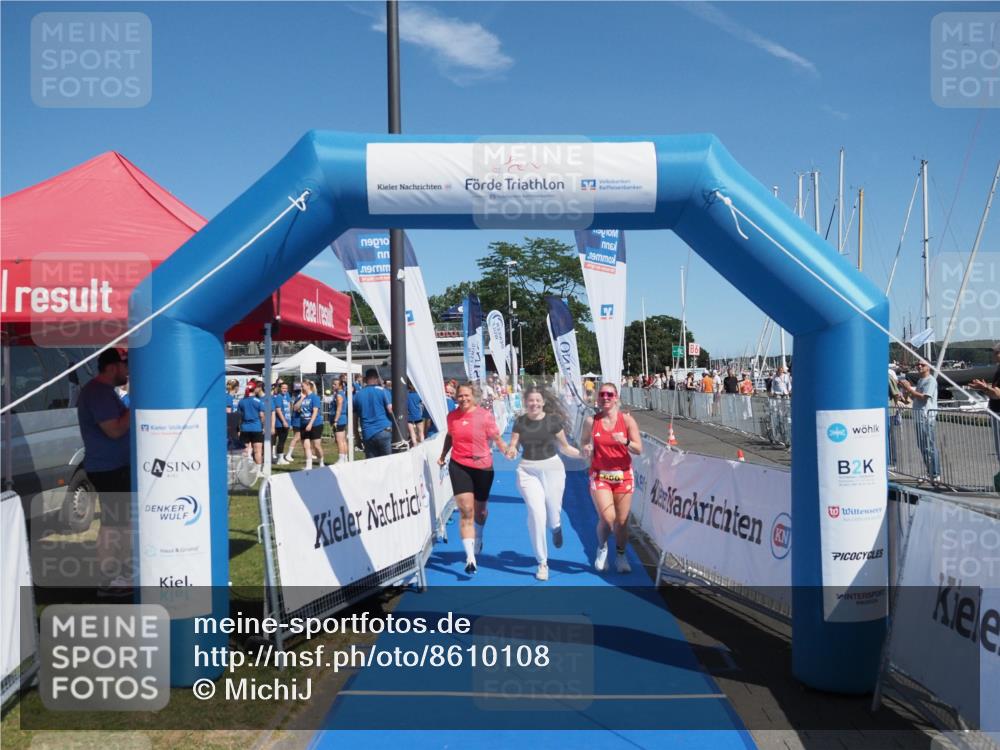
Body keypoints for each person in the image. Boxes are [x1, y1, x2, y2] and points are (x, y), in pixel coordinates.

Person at [505, 386, 581, 581]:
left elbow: (565, 447)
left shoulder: (553, 421)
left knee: (553, 510)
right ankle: (542, 562)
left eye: (538, 400)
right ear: (526, 402)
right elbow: (513, 444)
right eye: (531, 401)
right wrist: (511, 451)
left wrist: (584, 455)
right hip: (527, 471)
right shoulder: (520, 422)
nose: (534, 404)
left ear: (543, 403)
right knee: (536, 513)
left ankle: (556, 526)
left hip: (552, 469)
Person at [437, 383, 509, 575]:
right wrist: (443, 454)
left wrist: (507, 450)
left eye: (466, 396)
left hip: (482, 467)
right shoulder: (452, 416)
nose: (463, 399)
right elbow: (450, 436)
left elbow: (497, 438)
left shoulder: (484, 416)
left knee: (481, 511)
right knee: (466, 510)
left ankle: (479, 536)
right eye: (460, 396)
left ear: (473, 396)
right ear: (456, 397)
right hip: (459, 465)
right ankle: (470, 558)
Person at [77, 348, 132, 590]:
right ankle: (111, 578)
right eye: (125, 366)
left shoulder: (105, 392)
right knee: (116, 524)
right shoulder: (98, 393)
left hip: (113, 467)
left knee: (117, 523)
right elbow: (114, 430)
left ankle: (114, 576)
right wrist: (137, 405)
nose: (128, 371)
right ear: (112, 367)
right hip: (109, 469)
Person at [580, 382, 642, 573]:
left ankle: (621, 555)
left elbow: (639, 449)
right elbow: (583, 442)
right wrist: (586, 448)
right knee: (608, 518)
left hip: (623, 476)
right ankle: (602, 548)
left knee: (622, 523)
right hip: (601, 475)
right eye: (602, 394)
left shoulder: (627, 421)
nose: (605, 398)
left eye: (609, 394)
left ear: (616, 398)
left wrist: (625, 441)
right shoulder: (592, 421)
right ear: (598, 398)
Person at [900, 361, 941, 483]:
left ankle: (935, 473)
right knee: (923, 447)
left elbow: (924, 397)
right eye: (917, 364)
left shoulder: (930, 380)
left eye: (922, 365)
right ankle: (930, 472)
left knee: (930, 446)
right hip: (918, 416)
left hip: (926, 417)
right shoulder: (920, 381)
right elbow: (914, 398)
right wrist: (907, 392)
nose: (919, 366)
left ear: (928, 367)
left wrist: (908, 388)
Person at [969, 342, 1000, 484]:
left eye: (996, 352)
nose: (994, 355)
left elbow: (998, 394)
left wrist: (985, 388)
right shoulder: (998, 370)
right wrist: (984, 389)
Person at [354, 368, 394, 458]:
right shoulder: (383, 391)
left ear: (365, 379)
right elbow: (390, 410)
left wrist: (357, 438)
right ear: (377, 378)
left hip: (367, 434)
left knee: (372, 467)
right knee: (388, 464)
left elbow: (354, 419)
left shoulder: (358, 395)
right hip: (384, 430)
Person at [238, 385, 265, 472]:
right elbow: (261, 415)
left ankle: (245, 469)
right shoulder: (259, 401)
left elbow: (239, 416)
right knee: (258, 451)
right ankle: (258, 471)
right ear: (255, 390)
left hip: (245, 428)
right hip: (256, 428)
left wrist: (239, 427)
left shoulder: (241, 402)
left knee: (245, 451)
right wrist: (263, 426)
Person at [300, 379, 325, 470]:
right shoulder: (302, 397)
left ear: (308, 386)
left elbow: (315, 412)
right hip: (303, 424)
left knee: (316, 446)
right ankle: (309, 466)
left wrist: (310, 424)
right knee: (306, 445)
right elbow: (295, 408)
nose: (301, 387)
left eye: (303, 386)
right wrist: (302, 398)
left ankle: (321, 462)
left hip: (315, 424)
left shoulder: (314, 397)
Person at [272, 381, 292, 465]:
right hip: (280, 423)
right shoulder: (279, 397)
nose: (285, 390)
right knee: (281, 441)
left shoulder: (285, 397)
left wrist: (289, 421)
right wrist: (284, 421)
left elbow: (288, 407)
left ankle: (279, 457)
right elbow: (278, 410)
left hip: (286, 421)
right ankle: (280, 458)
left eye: (286, 388)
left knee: (283, 440)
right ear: (280, 388)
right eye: (283, 388)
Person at [332, 378, 350, 463]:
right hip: (342, 419)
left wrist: (335, 420)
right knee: (343, 440)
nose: (333, 385)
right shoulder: (340, 393)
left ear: (340, 385)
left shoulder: (339, 395)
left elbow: (339, 408)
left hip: (339, 419)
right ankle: (345, 458)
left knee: (339, 440)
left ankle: (341, 458)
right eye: (333, 384)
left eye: (335, 384)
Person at [283, 386, 303, 463]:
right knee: (297, 437)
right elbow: (297, 409)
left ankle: (309, 453)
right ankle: (288, 454)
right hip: (297, 421)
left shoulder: (298, 397)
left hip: (297, 420)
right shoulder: (300, 397)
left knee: (303, 438)